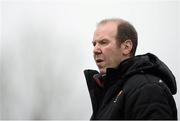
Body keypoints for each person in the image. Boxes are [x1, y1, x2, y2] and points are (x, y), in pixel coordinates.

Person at [84, 18, 177, 120]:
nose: (95, 50)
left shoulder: (146, 88)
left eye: (103, 42)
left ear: (126, 47)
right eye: (94, 44)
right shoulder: (109, 94)